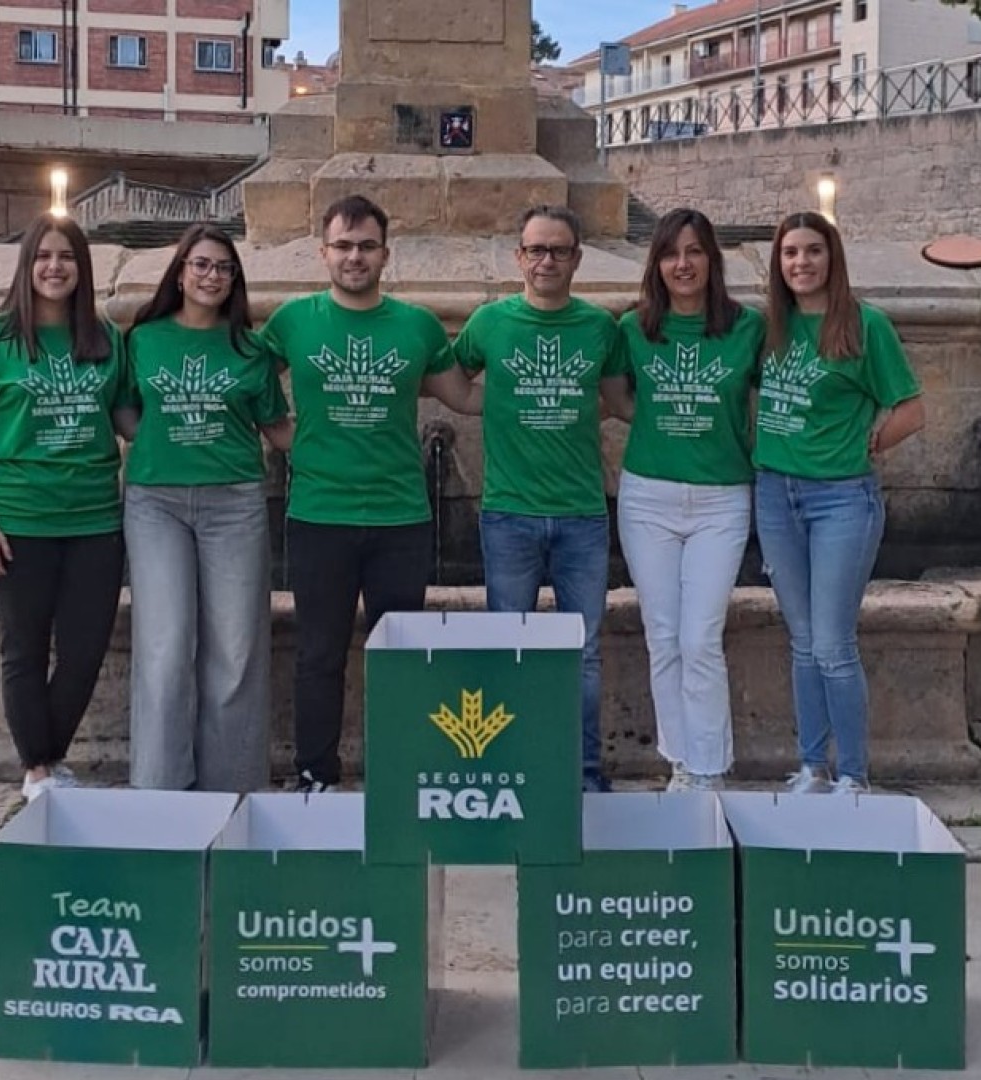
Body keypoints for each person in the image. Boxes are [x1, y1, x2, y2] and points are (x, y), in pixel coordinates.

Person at [261, 194, 481, 793]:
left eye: (366, 246)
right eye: (343, 246)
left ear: (386, 253)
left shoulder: (416, 325)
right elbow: (250, 380)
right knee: (319, 655)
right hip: (319, 515)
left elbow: (463, 396)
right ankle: (315, 774)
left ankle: (399, 772)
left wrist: (550, 390)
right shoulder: (292, 321)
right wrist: (286, 436)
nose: (354, 257)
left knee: (400, 657)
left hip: (400, 519)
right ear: (323, 253)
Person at [0, 214, 125, 802]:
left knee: (85, 650)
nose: (54, 267)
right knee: (23, 646)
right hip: (18, 521)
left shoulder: (104, 339)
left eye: (66, 257)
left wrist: (202, 438)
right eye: (43, 256)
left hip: (95, 519)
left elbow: (125, 421)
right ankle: (39, 769)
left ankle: (47, 757)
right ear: (27, 265)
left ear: (82, 269)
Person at [453, 204, 624, 792]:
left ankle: (583, 771)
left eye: (558, 250)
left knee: (584, 653)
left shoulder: (599, 327)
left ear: (576, 257)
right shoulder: (489, 323)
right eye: (536, 250)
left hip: (581, 514)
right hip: (509, 513)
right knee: (511, 647)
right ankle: (515, 765)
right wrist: (489, 405)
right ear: (518, 257)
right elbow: (452, 381)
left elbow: (617, 397)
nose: (546, 260)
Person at [756, 211, 924, 795]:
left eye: (812, 251)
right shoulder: (770, 326)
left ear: (833, 258)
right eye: (789, 253)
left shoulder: (864, 325)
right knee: (801, 640)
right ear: (777, 264)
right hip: (776, 492)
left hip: (841, 499)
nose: (801, 263)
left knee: (832, 642)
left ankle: (853, 772)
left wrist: (873, 440)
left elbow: (911, 407)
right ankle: (812, 766)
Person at [120, 223, 292, 792]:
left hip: (234, 502)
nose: (212, 276)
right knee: (166, 647)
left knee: (237, 651)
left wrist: (344, 430)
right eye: (201, 265)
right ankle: (161, 791)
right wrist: (158, 445)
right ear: (180, 270)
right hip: (156, 504)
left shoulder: (250, 348)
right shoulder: (144, 338)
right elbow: (124, 411)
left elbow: (276, 427)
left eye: (223, 268)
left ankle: (232, 789)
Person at [603, 209, 765, 792]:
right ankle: (679, 761)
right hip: (649, 496)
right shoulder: (633, 329)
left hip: (722, 498)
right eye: (672, 253)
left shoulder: (748, 328)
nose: (683, 264)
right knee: (662, 634)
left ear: (712, 260)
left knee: (701, 636)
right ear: (657, 265)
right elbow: (619, 398)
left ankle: (710, 766)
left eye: (695, 252)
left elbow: (772, 402)